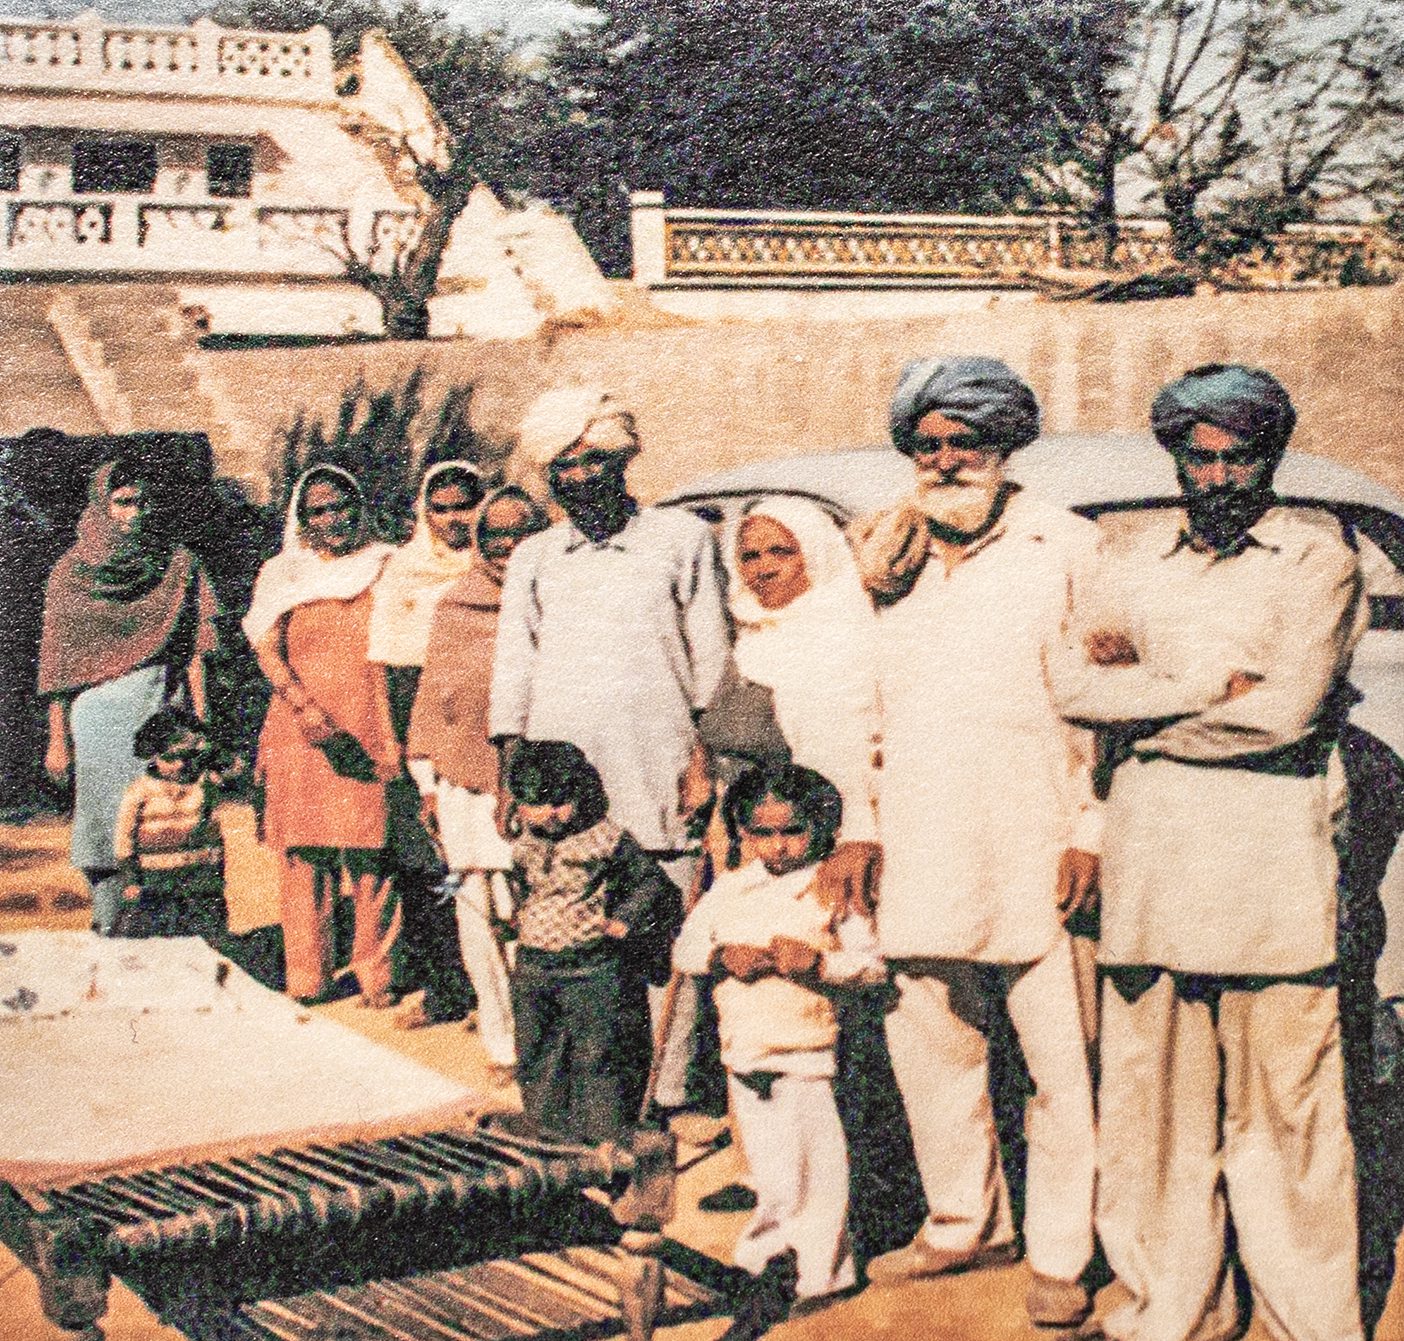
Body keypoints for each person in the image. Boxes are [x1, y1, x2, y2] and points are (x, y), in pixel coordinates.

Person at [1058, 364, 1369, 1341]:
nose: (1222, 477)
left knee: (1289, 1124)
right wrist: (1212, 686)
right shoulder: (1132, 562)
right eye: (1203, 458)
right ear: (1178, 461)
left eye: (1243, 458)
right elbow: (1074, 685)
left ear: (1269, 459)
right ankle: (1172, 1310)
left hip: (1269, 871)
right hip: (1154, 870)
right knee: (1154, 1118)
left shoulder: (1318, 561)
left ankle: (1307, 1320)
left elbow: (1286, 713)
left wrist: (1152, 704)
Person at [853, 356, 1100, 1331]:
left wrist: (1090, 829)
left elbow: (1106, 713)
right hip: (918, 839)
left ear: (1005, 445)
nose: (947, 459)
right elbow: (860, 704)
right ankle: (963, 1222)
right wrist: (859, 827)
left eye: (966, 441)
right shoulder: (884, 552)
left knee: (1061, 1064)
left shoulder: (1066, 545)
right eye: (928, 444)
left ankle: (1064, 1250)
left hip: (1038, 843)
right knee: (933, 1048)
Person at [490, 386, 731, 1116]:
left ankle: (664, 1093)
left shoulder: (680, 539)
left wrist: (701, 761)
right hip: (560, 781)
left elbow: (711, 661)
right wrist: (509, 772)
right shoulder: (536, 556)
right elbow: (515, 668)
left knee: (660, 927)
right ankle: (579, 1092)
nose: (578, 478)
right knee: (571, 933)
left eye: (592, 461)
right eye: (562, 466)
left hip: (656, 761)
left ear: (621, 462)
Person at [673, 764, 884, 1339]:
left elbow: (870, 966)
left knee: (817, 1167)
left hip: (807, 1046)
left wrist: (818, 964)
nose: (777, 846)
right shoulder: (733, 885)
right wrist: (721, 958)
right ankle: (765, 1251)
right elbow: (688, 947)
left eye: (791, 831)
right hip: (744, 1047)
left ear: (821, 828)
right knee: (770, 1165)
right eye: (760, 833)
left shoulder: (831, 887)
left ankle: (823, 1271)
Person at [38, 458, 220, 936]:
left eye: (142, 502)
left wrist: (200, 721)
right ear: (102, 505)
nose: (134, 513)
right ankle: (109, 923)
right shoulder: (70, 573)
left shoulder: (178, 564)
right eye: (122, 502)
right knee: (103, 828)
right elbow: (57, 662)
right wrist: (57, 741)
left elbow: (198, 647)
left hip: (159, 710)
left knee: (172, 821)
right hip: (96, 720)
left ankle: (177, 932)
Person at [244, 465, 402, 1008]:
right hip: (299, 724)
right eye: (319, 510)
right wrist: (303, 705)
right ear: (303, 518)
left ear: (359, 505)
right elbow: (267, 649)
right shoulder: (283, 573)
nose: (333, 519)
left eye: (341, 505)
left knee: (370, 852)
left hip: (369, 718)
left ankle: (375, 976)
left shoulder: (387, 564)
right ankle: (307, 974)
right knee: (303, 853)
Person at [406, 485, 551, 1077]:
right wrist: (429, 786)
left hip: (545, 784)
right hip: (466, 785)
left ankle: (546, 1036)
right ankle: (503, 1041)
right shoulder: (455, 607)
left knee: (537, 910)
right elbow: (430, 701)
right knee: (478, 910)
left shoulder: (561, 602)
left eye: (521, 533)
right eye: (494, 536)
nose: (507, 546)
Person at [503, 740, 683, 1143]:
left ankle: (605, 1142)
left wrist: (624, 919)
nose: (550, 813)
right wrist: (516, 917)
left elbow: (651, 883)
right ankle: (547, 1135)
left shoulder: (606, 840)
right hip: (534, 965)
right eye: (536, 802)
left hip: (592, 967)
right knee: (538, 1051)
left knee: (598, 1055)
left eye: (560, 801)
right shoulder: (522, 843)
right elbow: (523, 886)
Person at [369, 460, 485, 1030]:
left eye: (464, 504)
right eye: (440, 507)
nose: (452, 518)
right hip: (414, 706)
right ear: (424, 511)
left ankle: (491, 993)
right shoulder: (403, 570)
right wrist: (392, 741)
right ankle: (445, 988)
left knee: (480, 857)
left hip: (478, 714)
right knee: (423, 861)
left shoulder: (499, 565)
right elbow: (385, 662)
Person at [724, 498, 880, 843]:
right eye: (750, 557)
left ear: (815, 553)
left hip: (825, 834)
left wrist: (857, 838)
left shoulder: (847, 633)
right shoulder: (748, 634)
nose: (764, 569)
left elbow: (851, 762)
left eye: (782, 552)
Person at [111, 707, 227, 943]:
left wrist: (207, 749)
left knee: (206, 941)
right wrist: (130, 880)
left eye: (186, 757)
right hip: (156, 883)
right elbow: (124, 840)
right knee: (159, 942)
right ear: (152, 755)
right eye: (170, 758)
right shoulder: (139, 791)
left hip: (201, 881)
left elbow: (234, 769)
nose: (180, 765)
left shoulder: (205, 784)